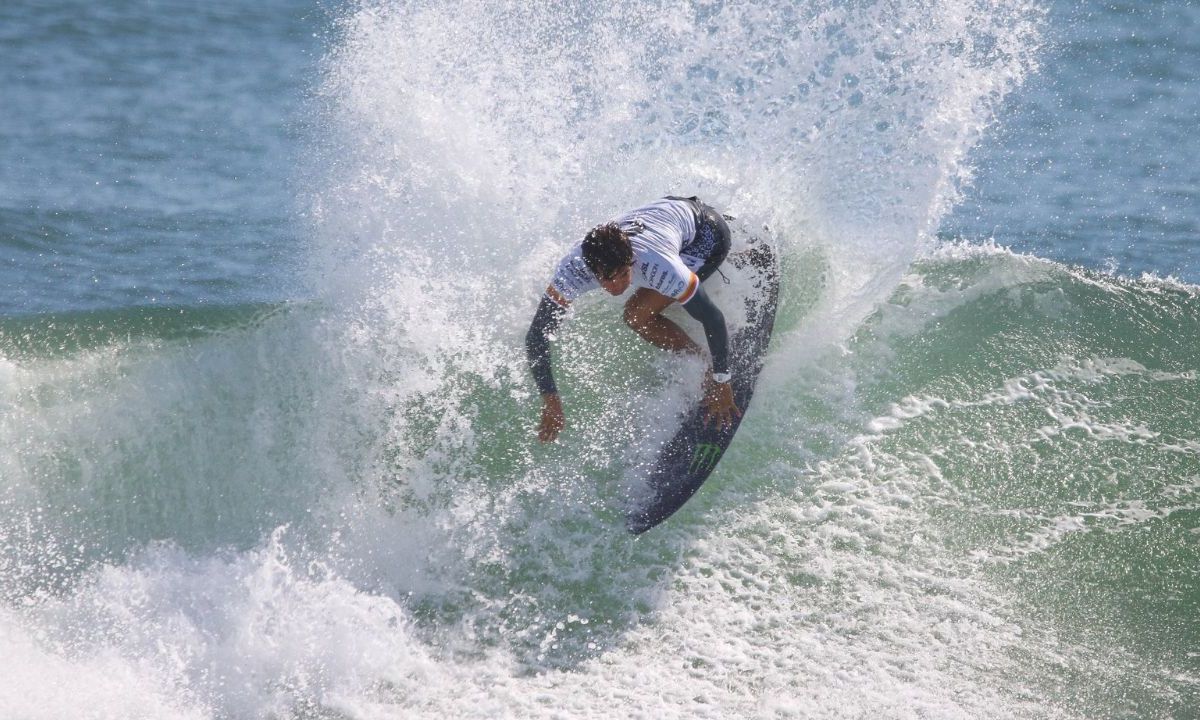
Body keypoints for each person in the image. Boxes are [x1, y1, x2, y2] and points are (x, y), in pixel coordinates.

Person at [525, 196, 739, 442]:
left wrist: (723, 381)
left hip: (706, 235)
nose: (616, 286)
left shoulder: (660, 266)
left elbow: (713, 318)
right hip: (670, 216)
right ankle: (699, 356)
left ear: (631, 261)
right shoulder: (575, 268)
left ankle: (738, 258)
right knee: (636, 314)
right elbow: (536, 336)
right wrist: (550, 400)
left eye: (623, 274)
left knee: (637, 315)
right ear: (591, 270)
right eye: (607, 278)